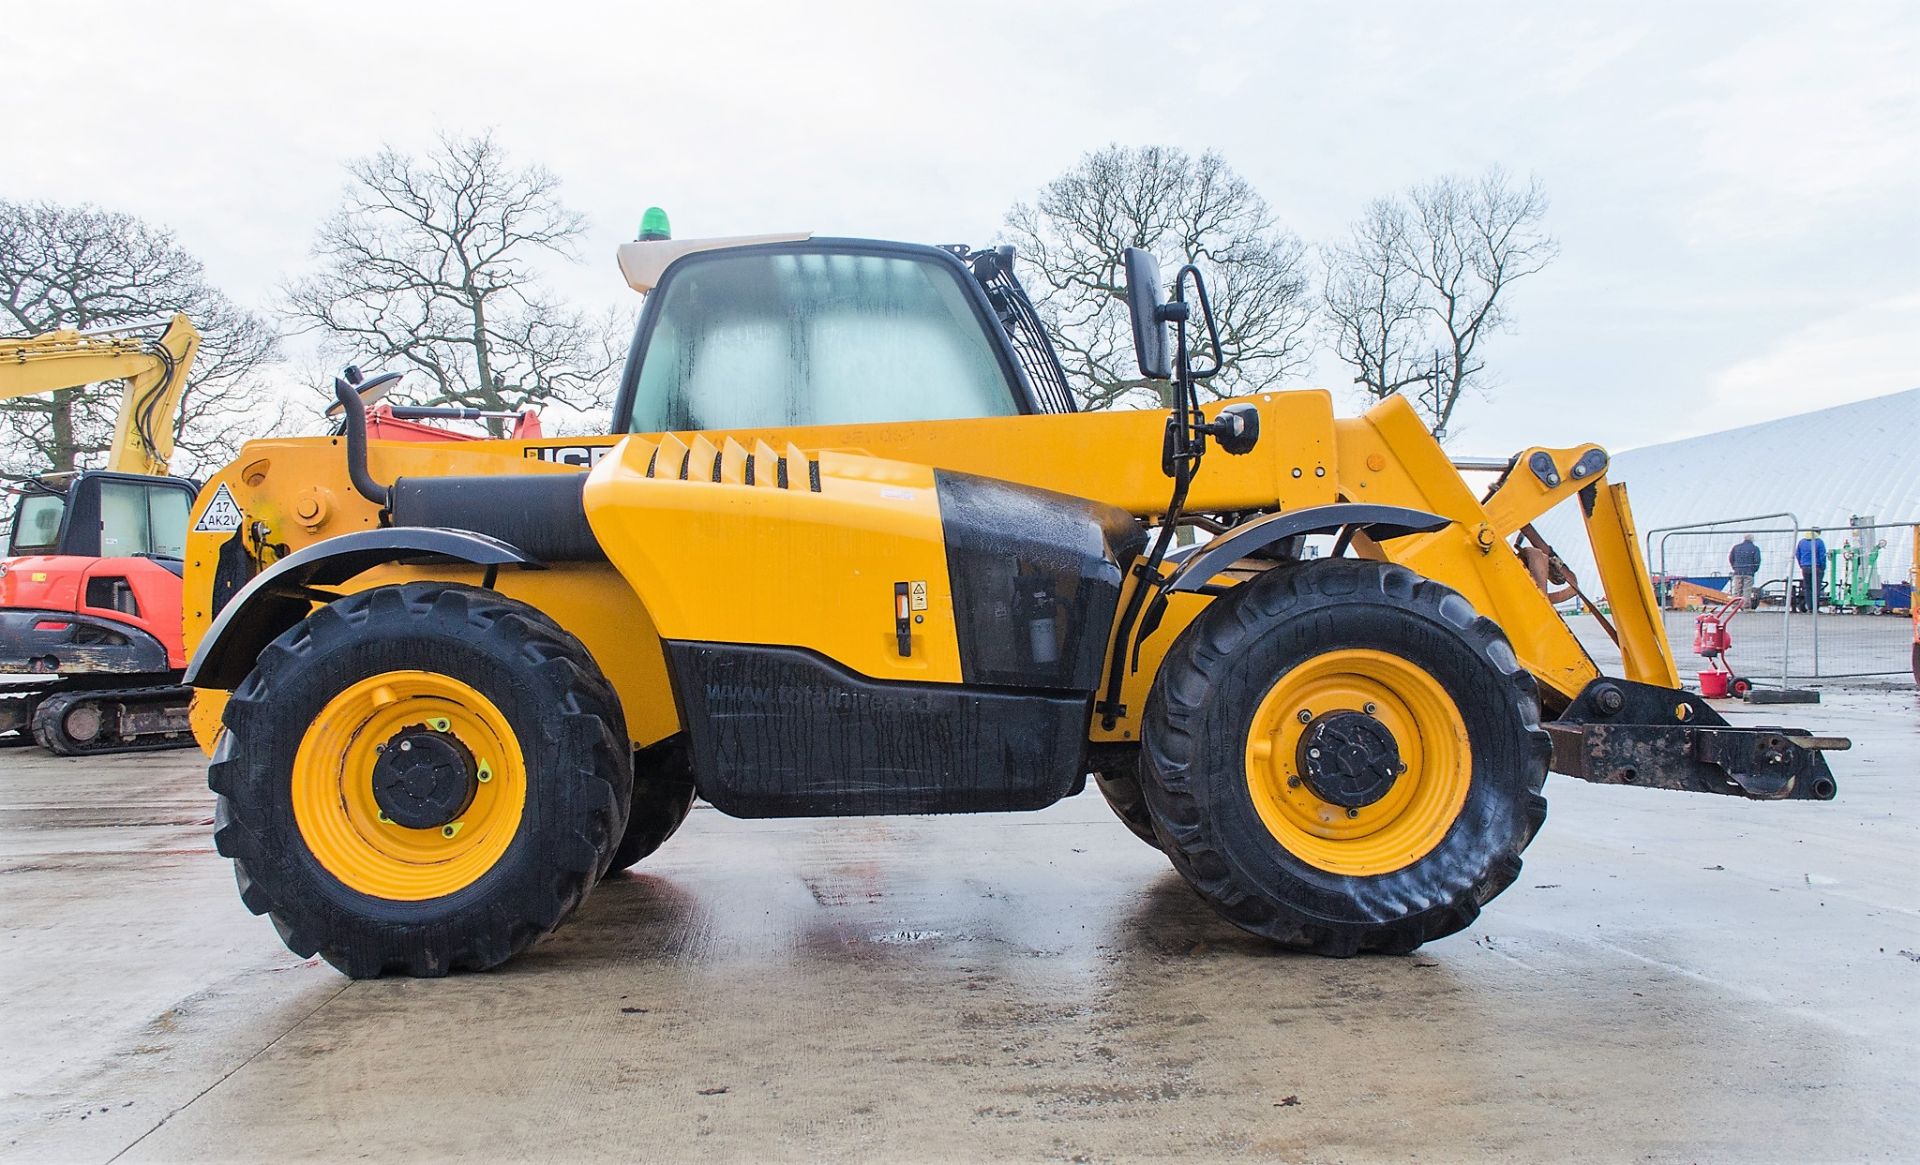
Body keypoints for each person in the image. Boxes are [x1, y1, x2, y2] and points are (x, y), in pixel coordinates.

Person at [1792, 529, 1827, 612]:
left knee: (1807, 588)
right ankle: (1815, 608)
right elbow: (1822, 556)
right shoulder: (1819, 542)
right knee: (1816, 588)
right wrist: (1823, 567)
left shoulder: (1802, 542)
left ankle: (1810, 607)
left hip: (1805, 567)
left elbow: (1797, 554)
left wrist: (1802, 564)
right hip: (1817, 567)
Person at [1728, 535, 1761, 608]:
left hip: (1738, 571)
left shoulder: (1736, 547)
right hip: (1749, 572)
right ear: (1752, 539)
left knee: (1737, 589)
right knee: (1747, 590)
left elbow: (1731, 558)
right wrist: (1754, 570)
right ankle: (1746, 606)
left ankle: (1734, 605)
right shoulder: (1755, 548)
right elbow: (1757, 560)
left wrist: (1735, 567)